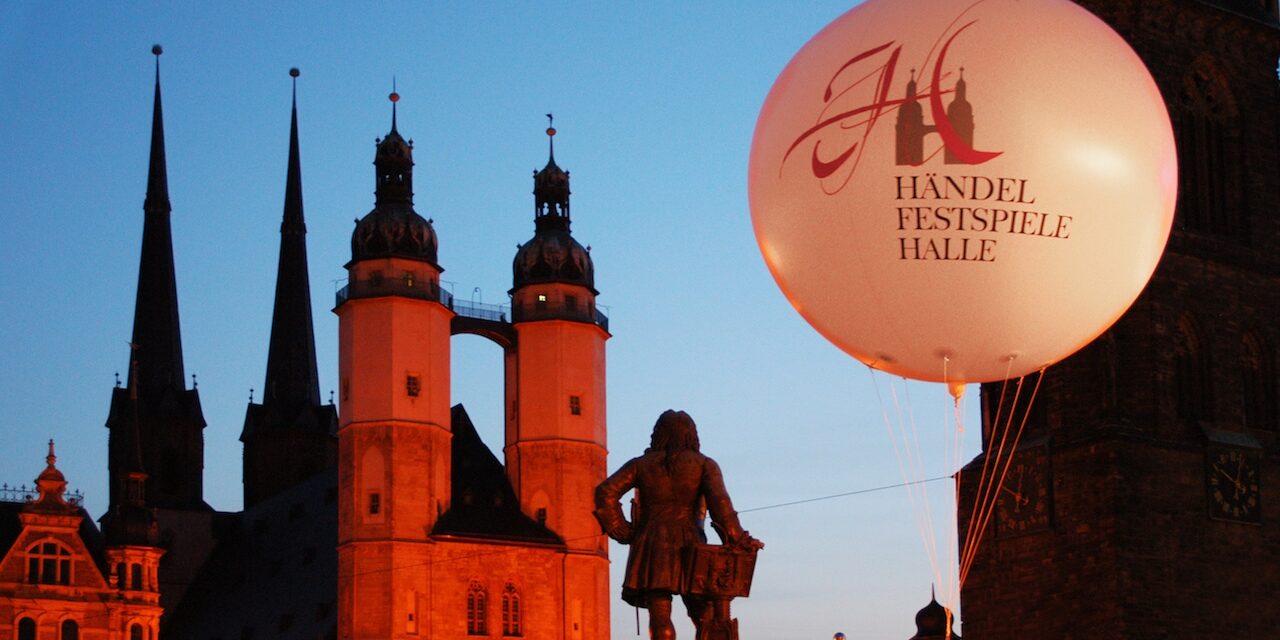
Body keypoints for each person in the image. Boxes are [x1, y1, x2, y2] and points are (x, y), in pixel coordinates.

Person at [594, 410, 762, 640]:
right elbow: (721, 507)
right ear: (692, 435)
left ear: (658, 434)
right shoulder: (704, 464)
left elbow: (605, 492)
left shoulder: (641, 464)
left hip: (652, 544)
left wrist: (620, 529)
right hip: (692, 544)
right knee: (704, 613)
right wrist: (740, 539)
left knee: (660, 612)